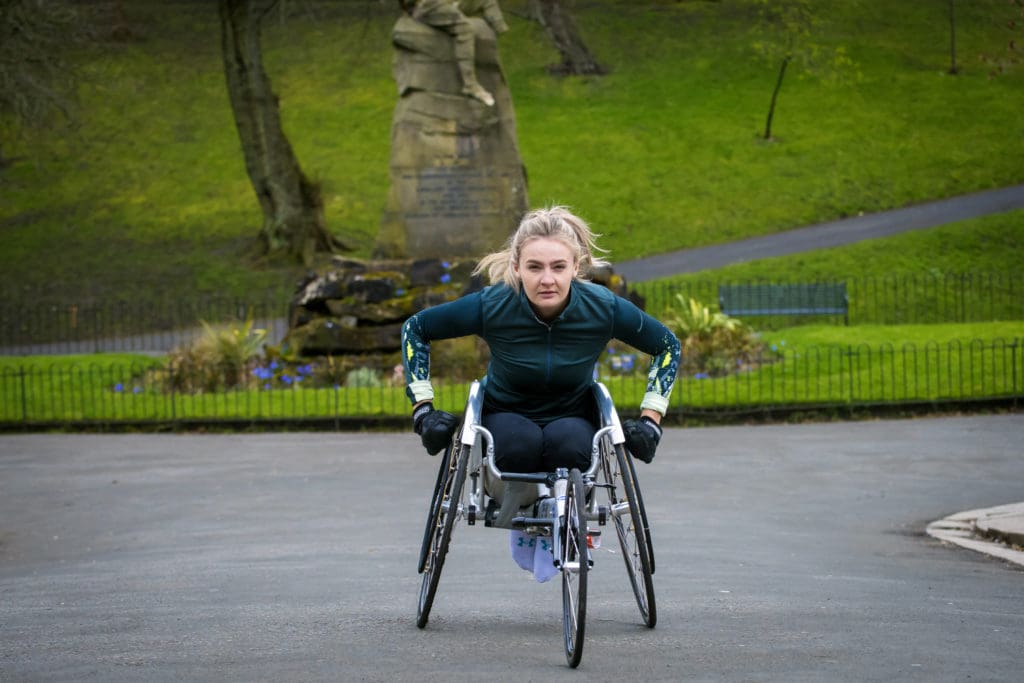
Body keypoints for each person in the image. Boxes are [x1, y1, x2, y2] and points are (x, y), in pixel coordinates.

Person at [402, 205, 680, 580]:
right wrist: (423, 411)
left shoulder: (603, 307)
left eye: (558, 267)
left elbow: (667, 345)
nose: (546, 279)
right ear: (516, 267)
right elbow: (416, 329)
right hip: (506, 413)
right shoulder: (494, 305)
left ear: (576, 267)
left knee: (572, 450)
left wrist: (651, 420)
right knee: (519, 446)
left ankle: (561, 519)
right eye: (535, 267)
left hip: (573, 415)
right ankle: (526, 519)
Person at [400, 0, 510, 107]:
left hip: (443, 4)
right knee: (464, 28)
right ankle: (470, 84)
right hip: (426, 6)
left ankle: (499, 29)